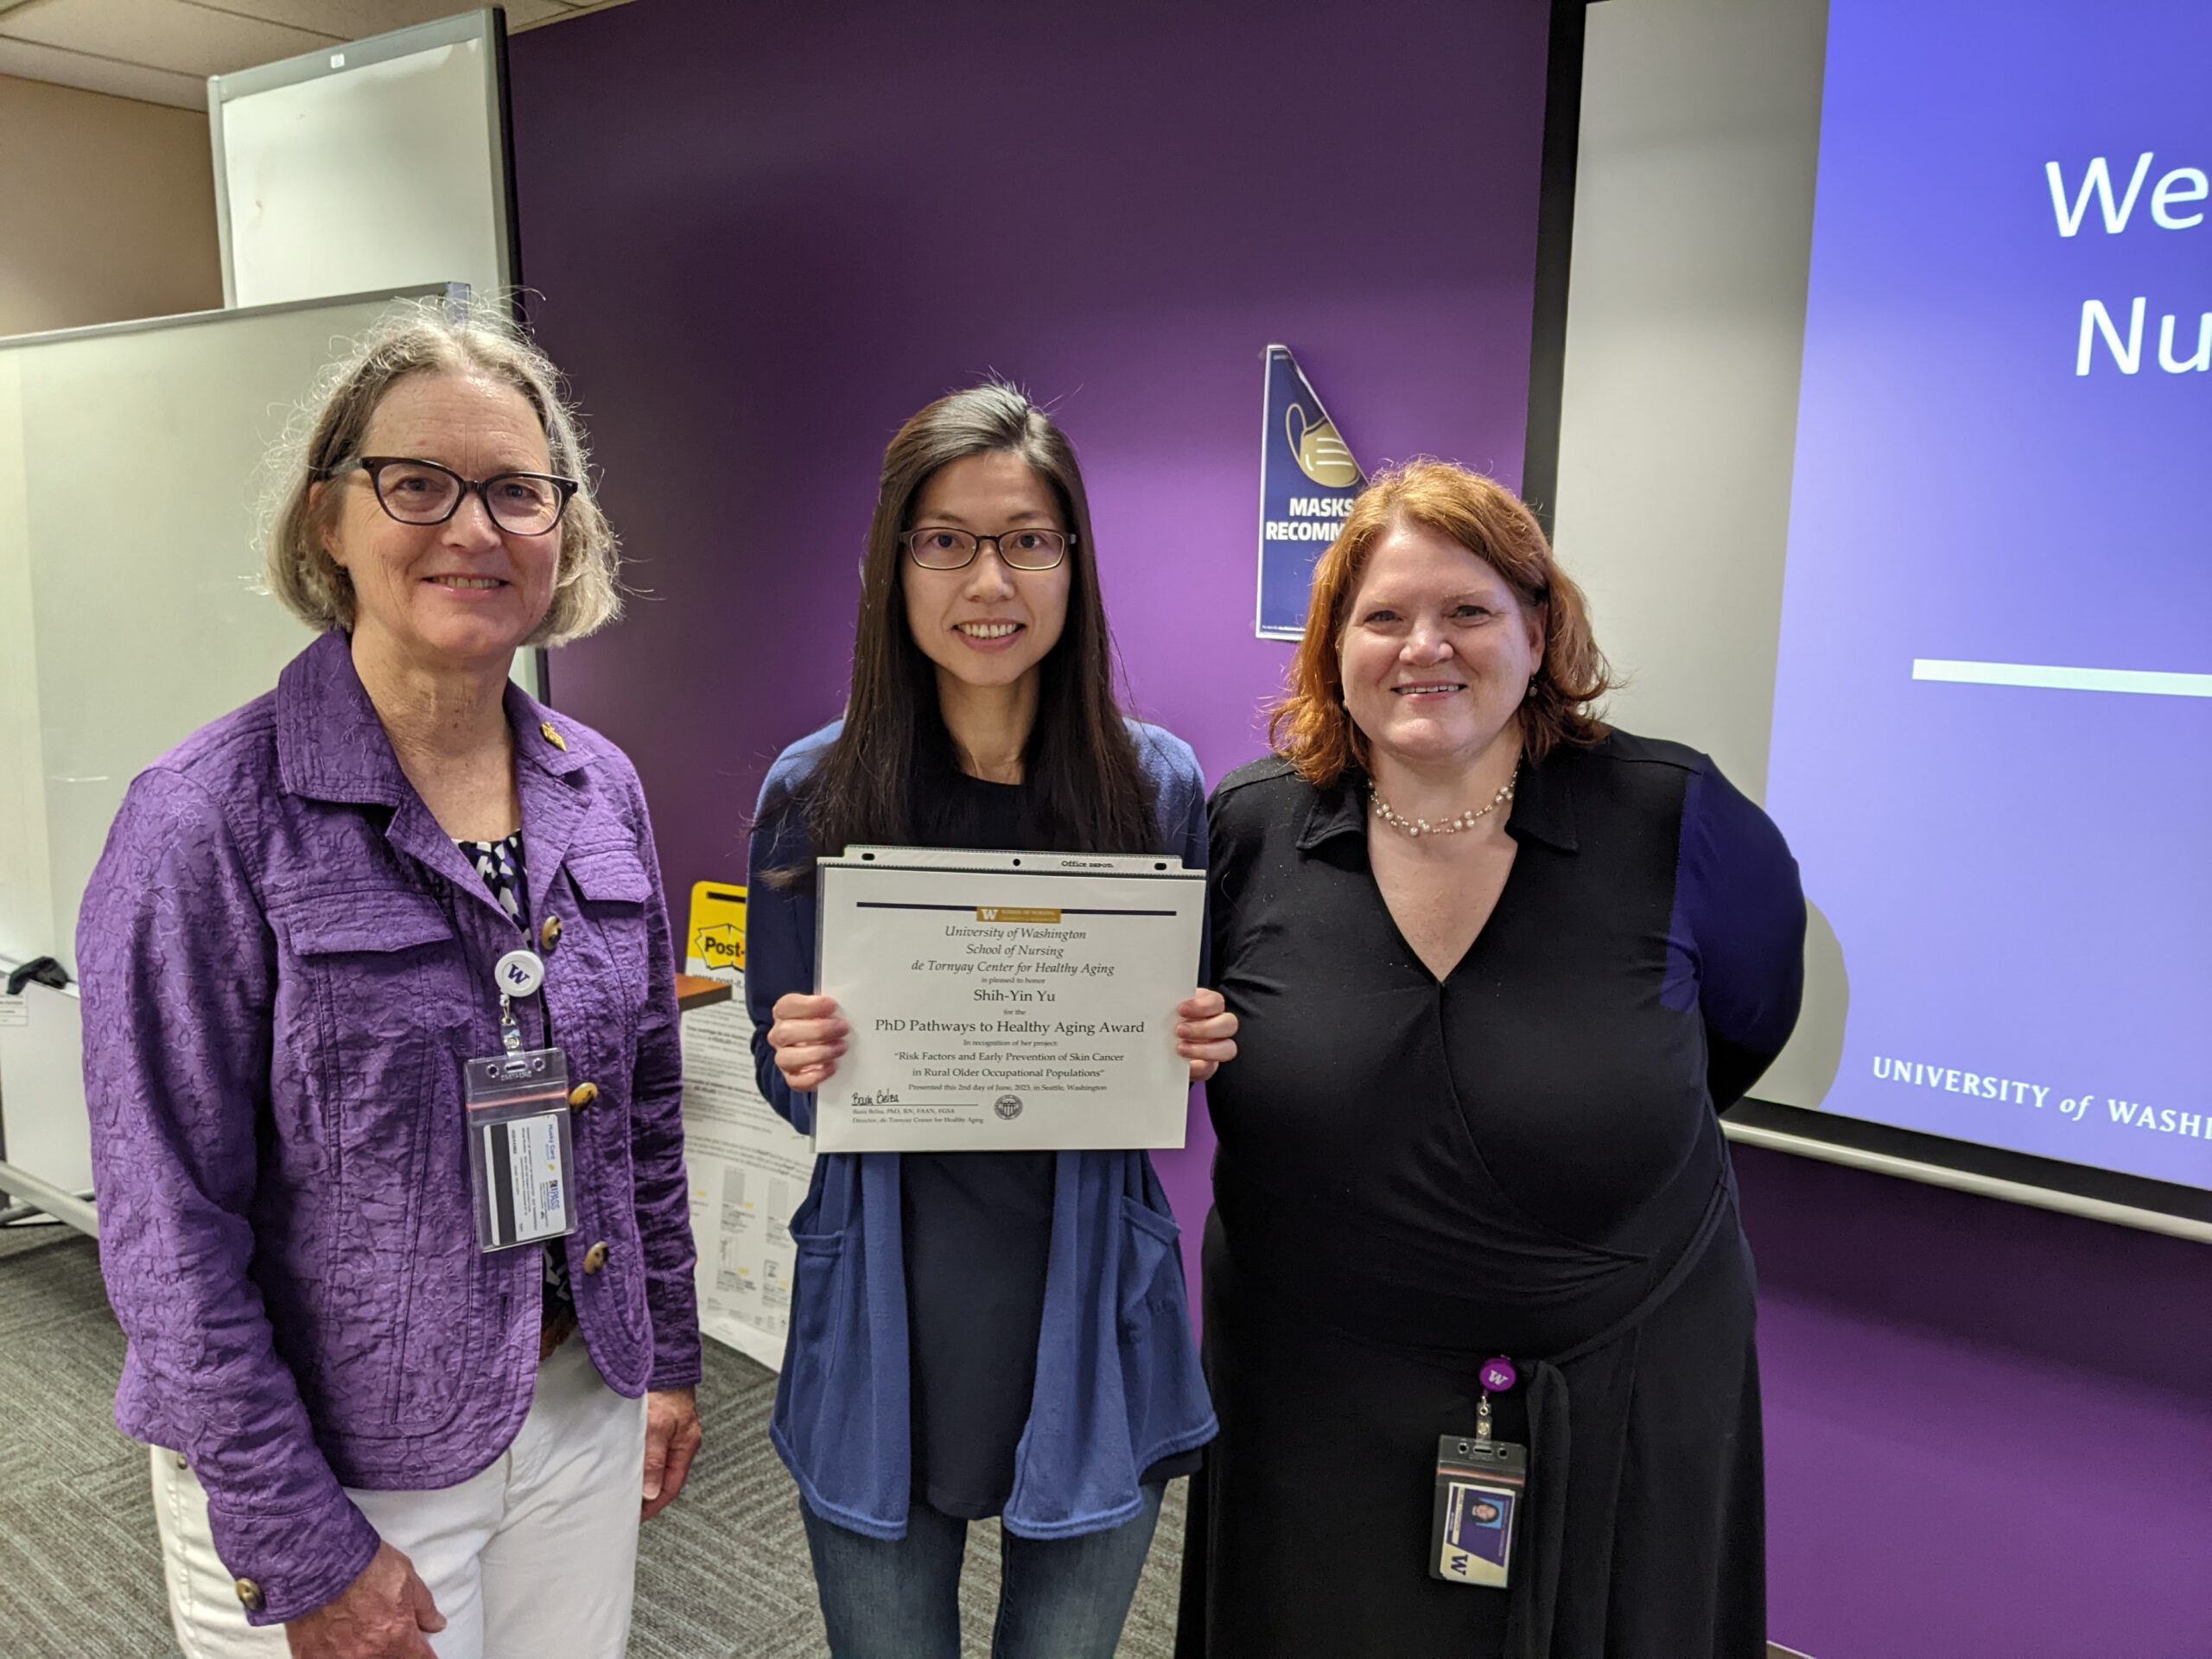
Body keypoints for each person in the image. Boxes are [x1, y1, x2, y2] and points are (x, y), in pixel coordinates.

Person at [77, 299, 702, 1659]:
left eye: (518, 494)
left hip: (578, 1401)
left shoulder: (601, 791)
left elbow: (643, 1116)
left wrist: (665, 1363)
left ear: (565, 533)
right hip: (341, 1462)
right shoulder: (205, 817)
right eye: (417, 484)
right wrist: (296, 1540)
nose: (474, 530)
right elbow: (164, 1225)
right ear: (327, 519)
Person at [1176, 461, 1805, 1659]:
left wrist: (1572, 1120)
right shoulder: (1247, 827)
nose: (1427, 648)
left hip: (1621, 1376)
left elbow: (1746, 1025)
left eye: (1467, 610)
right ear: (1333, 646)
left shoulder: (1680, 817)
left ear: (1538, 626)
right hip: (1314, 1393)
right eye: (1383, 617)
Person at [744, 383, 1236, 1659]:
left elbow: (1185, 1046)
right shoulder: (815, 789)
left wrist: (1197, 1038)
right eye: (946, 540)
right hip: (885, 1313)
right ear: (894, 568)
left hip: (1085, 1312)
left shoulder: (1157, 784)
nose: (989, 579)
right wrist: (799, 1058)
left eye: (1027, 538)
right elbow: (783, 1067)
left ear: (1072, 563)